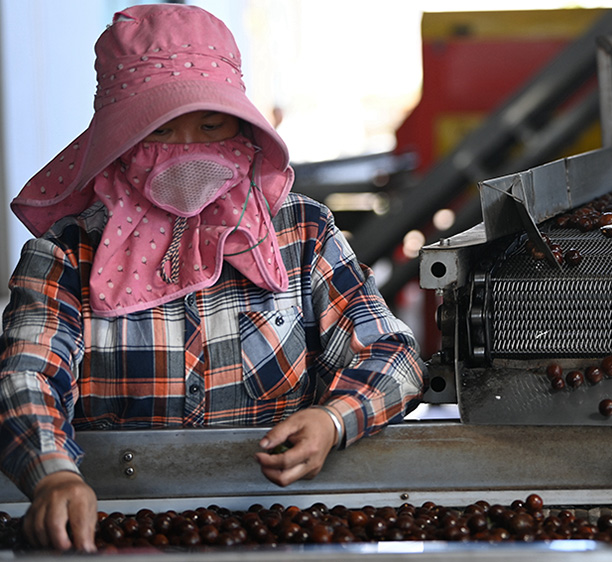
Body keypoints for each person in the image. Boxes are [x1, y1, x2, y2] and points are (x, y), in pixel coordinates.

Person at [0, 4, 425, 552]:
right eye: (160, 128)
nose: (186, 147)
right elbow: (26, 377)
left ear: (242, 126)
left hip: (281, 526)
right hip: (111, 527)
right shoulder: (68, 252)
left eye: (209, 124)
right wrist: (54, 474)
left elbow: (393, 356)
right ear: (119, 139)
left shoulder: (301, 233)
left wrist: (332, 420)